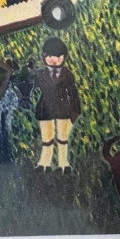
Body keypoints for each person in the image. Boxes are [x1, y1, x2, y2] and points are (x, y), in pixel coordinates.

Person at [33, 36, 82, 174]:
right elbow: (30, 88)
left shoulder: (67, 75)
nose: (54, 59)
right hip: (45, 109)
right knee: (47, 138)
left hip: (63, 109)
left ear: (63, 57)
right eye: (50, 56)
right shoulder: (40, 75)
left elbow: (73, 93)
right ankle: (44, 163)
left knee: (62, 138)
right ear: (44, 57)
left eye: (58, 56)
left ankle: (63, 164)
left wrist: (76, 109)